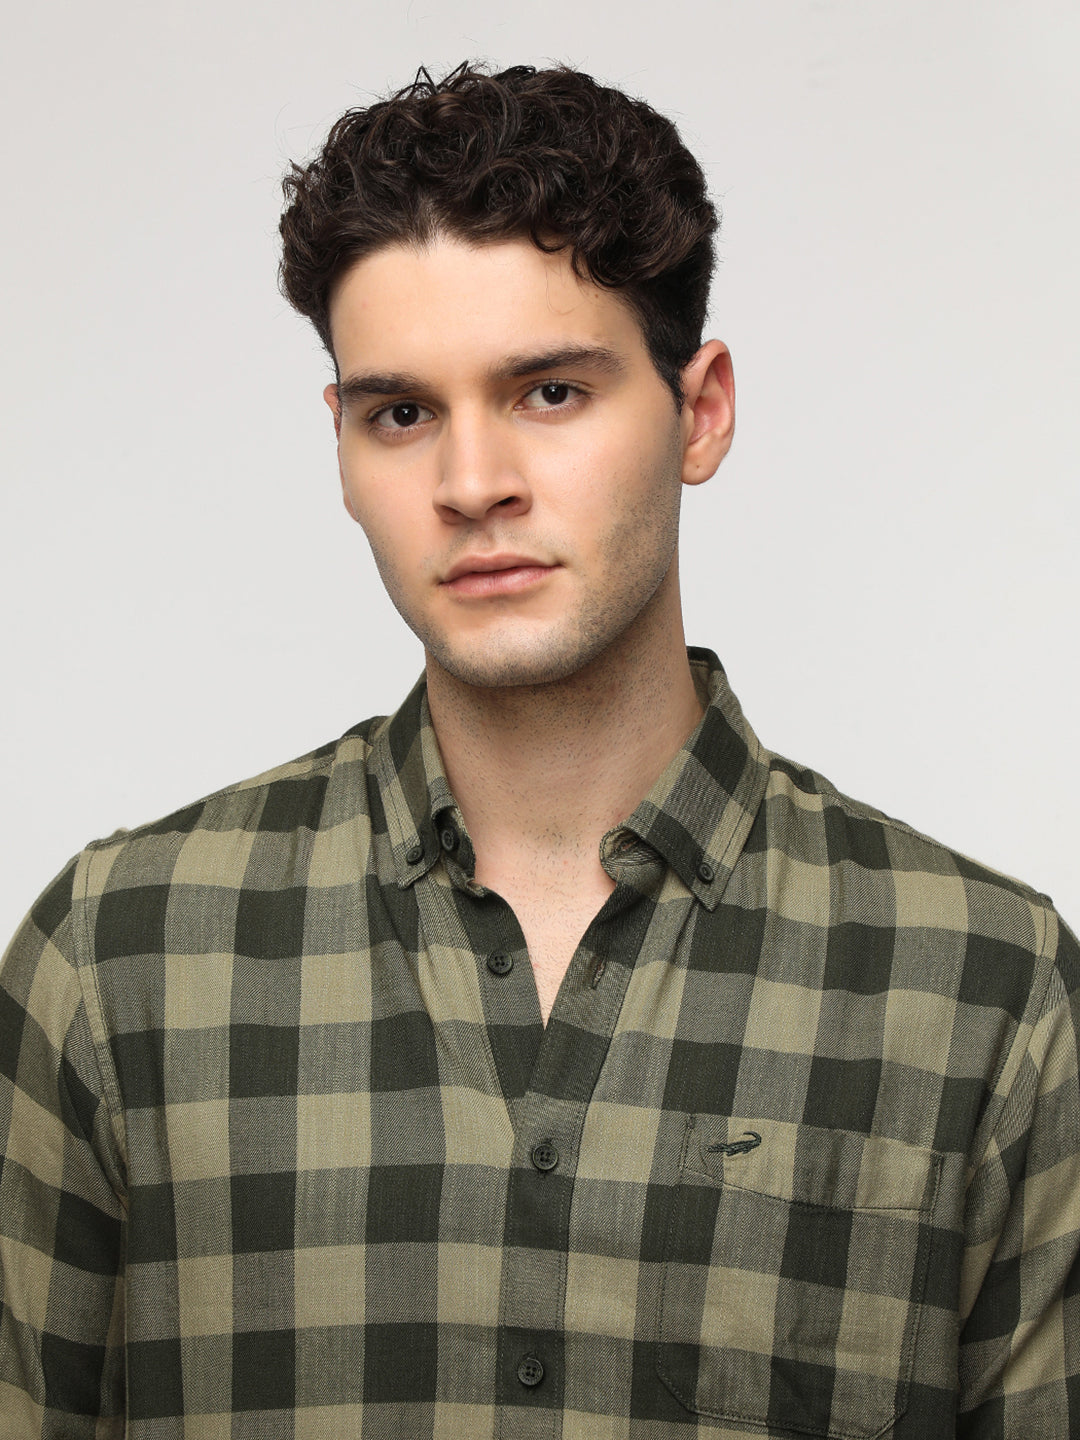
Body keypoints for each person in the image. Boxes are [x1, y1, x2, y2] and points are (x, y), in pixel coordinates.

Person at [0, 61, 1077, 1440]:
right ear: (341, 447)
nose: (471, 485)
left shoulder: (987, 994)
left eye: (551, 392)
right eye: (402, 414)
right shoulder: (118, 963)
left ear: (700, 412)